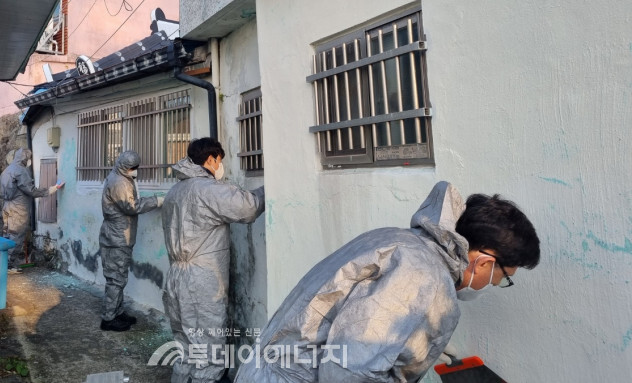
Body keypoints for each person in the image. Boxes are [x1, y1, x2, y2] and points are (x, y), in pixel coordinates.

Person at [233, 180, 540, 382]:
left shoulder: (401, 240)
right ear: (485, 262)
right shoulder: (426, 279)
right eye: (502, 278)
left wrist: (412, 339)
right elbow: (349, 372)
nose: (494, 284)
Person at [162, 137, 266, 383]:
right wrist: (269, 186)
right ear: (210, 160)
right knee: (208, 348)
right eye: (220, 161)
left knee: (186, 346)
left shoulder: (176, 190)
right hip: (202, 279)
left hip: (176, 276)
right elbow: (248, 207)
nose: (221, 167)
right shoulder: (206, 189)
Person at [99, 150, 164, 332]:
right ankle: (109, 318)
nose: (135, 171)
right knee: (115, 280)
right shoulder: (119, 182)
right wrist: (156, 201)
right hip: (116, 238)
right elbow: (132, 206)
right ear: (124, 167)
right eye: (132, 168)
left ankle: (117, 312)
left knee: (119, 277)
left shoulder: (121, 177)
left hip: (120, 237)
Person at [0, 148, 64, 268]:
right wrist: (50, 190)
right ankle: (9, 265)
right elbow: (31, 190)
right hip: (18, 208)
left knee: (7, 234)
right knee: (16, 235)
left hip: (7, 206)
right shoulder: (20, 171)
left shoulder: (7, 170)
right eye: (29, 158)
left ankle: (2, 261)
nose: (29, 161)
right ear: (25, 158)